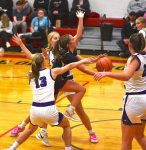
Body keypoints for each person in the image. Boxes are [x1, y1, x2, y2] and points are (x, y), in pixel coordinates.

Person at [10, 10, 99, 145]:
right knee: (45, 106)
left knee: (78, 109)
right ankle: (26, 127)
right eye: (55, 37)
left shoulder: (65, 49)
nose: (57, 39)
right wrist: (22, 45)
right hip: (54, 81)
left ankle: (91, 132)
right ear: (50, 40)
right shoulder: (47, 54)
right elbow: (31, 57)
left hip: (66, 80)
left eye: (59, 37)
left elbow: (78, 39)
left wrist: (80, 19)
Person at [6, 44, 95, 150]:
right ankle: (68, 148)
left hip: (34, 110)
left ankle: (12, 147)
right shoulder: (52, 72)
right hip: (48, 109)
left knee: (30, 129)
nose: (46, 58)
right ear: (43, 62)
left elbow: (31, 57)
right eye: (44, 58)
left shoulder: (30, 74)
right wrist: (83, 61)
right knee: (66, 126)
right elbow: (70, 66)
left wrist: (21, 45)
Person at [94, 32, 146, 150]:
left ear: (130, 45)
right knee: (139, 135)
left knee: (126, 141)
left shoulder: (134, 59)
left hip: (134, 100)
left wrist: (106, 73)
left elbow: (126, 76)